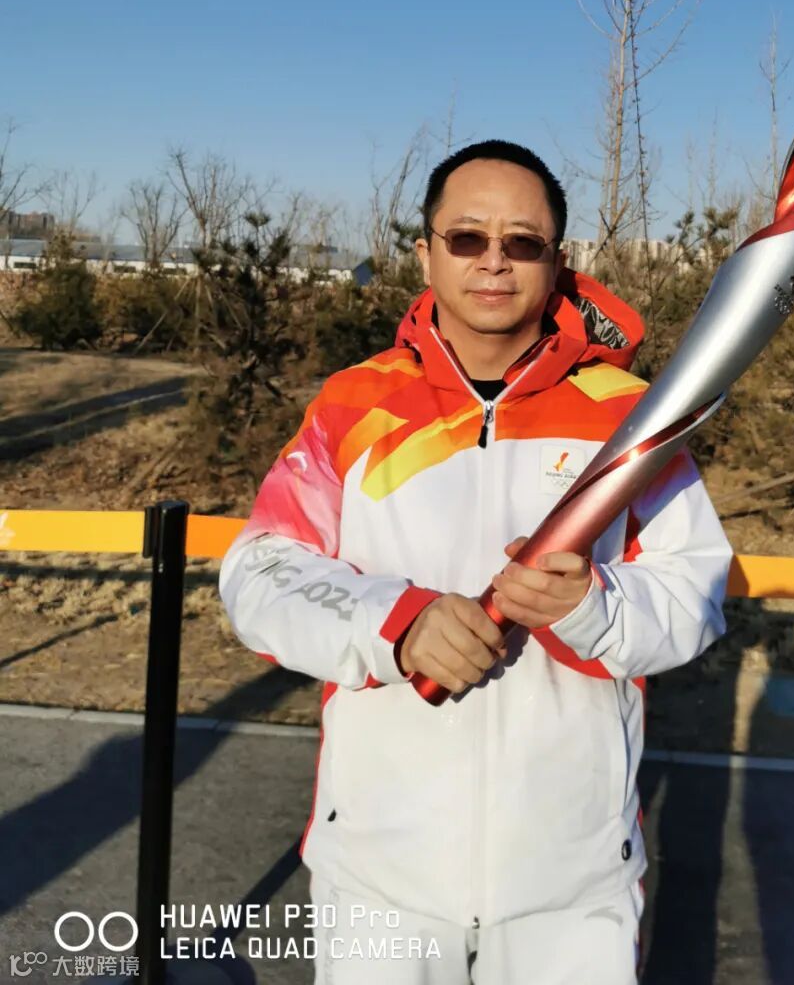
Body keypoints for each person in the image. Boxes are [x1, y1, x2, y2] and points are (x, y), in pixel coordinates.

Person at [218, 140, 733, 983]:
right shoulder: (355, 402)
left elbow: (694, 592)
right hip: (380, 875)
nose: (494, 260)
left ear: (556, 261)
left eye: (522, 242)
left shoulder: (629, 416)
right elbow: (260, 571)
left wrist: (593, 607)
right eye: (467, 237)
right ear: (425, 253)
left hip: (571, 885)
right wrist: (394, 623)